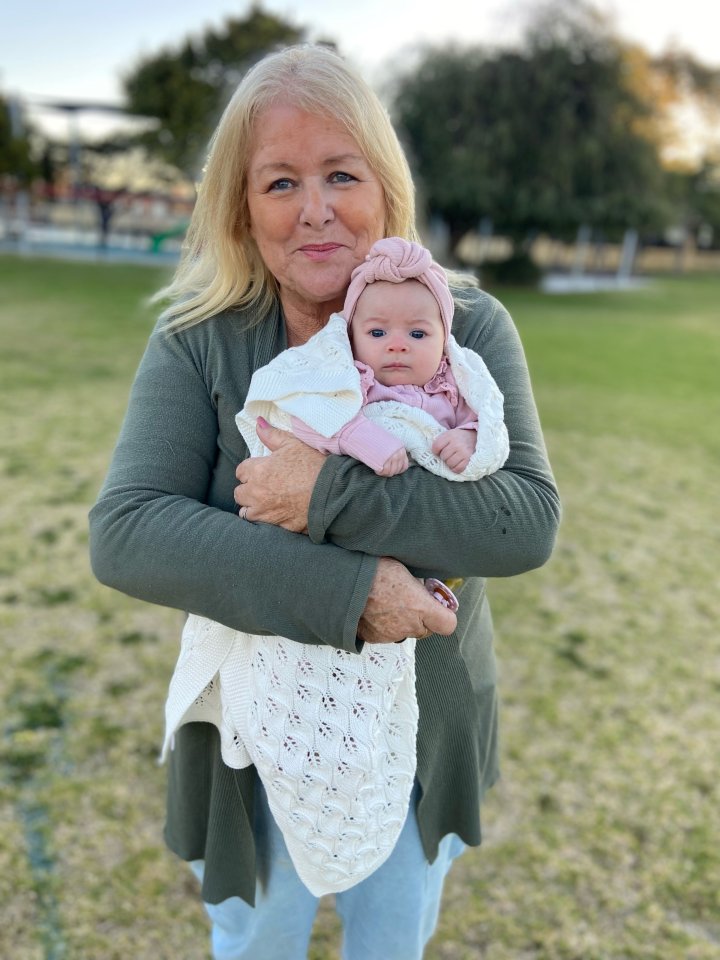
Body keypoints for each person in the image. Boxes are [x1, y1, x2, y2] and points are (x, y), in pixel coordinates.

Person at [89, 43, 560, 960]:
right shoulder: (198, 341)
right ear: (240, 204)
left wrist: (323, 492)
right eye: (279, 183)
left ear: (382, 185)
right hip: (254, 734)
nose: (315, 210)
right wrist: (352, 597)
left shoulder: (467, 329)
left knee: (391, 941)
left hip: (422, 719)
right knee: (258, 942)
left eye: (341, 174)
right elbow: (130, 530)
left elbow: (523, 520)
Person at [160, 236, 509, 899]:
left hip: (427, 665)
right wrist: (368, 464)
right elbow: (324, 429)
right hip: (300, 616)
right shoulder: (344, 379)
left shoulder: (462, 376)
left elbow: (513, 496)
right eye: (378, 332)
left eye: (416, 332)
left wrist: (466, 441)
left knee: (395, 924)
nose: (397, 345)